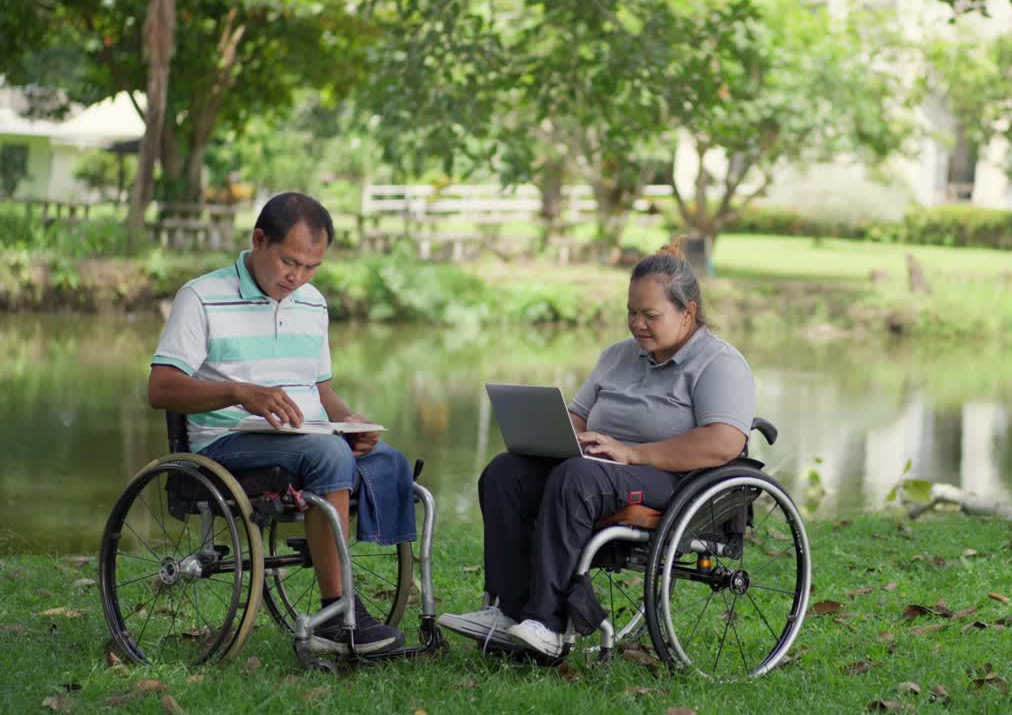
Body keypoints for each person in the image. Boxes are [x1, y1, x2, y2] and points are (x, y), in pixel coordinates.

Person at [438, 243, 756, 658]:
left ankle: (548, 623)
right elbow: (579, 418)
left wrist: (630, 453)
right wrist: (547, 436)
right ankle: (508, 611)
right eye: (632, 312)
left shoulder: (719, 364)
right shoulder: (619, 356)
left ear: (688, 313)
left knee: (577, 478)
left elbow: (724, 442)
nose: (637, 324)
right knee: (505, 472)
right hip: (602, 469)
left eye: (650, 315)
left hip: (671, 478)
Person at [148, 192, 415, 655]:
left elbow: (321, 390)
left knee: (385, 459)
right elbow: (161, 388)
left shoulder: (312, 303)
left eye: (312, 267)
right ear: (258, 240)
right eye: (290, 262)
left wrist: (350, 421)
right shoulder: (202, 297)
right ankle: (338, 616)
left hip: (306, 440)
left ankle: (403, 609)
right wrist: (241, 393)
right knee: (328, 454)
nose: (298, 277)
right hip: (226, 442)